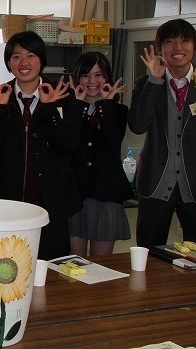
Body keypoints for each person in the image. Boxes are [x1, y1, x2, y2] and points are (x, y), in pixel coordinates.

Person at [128, 19, 196, 248]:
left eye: (185, 41)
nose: (178, 48)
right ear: (160, 48)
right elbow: (137, 125)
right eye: (169, 41)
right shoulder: (145, 83)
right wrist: (155, 82)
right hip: (155, 183)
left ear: (194, 46)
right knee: (148, 255)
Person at [0, 31, 82, 260]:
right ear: (8, 63)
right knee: (8, 266)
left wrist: (49, 111)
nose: (23, 63)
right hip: (8, 202)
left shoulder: (63, 95)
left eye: (30, 55)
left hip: (51, 202)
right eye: (16, 57)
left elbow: (69, 145)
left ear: (42, 60)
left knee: (52, 272)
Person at [67, 52, 133, 256]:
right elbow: (68, 145)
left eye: (99, 75)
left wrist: (105, 104)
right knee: (71, 265)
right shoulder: (67, 108)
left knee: (102, 268)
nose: (92, 81)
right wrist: (78, 105)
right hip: (74, 194)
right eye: (86, 75)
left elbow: (111, 142)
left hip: (106, 194)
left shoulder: (118, 111)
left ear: (107, 78)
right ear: (77, 78)